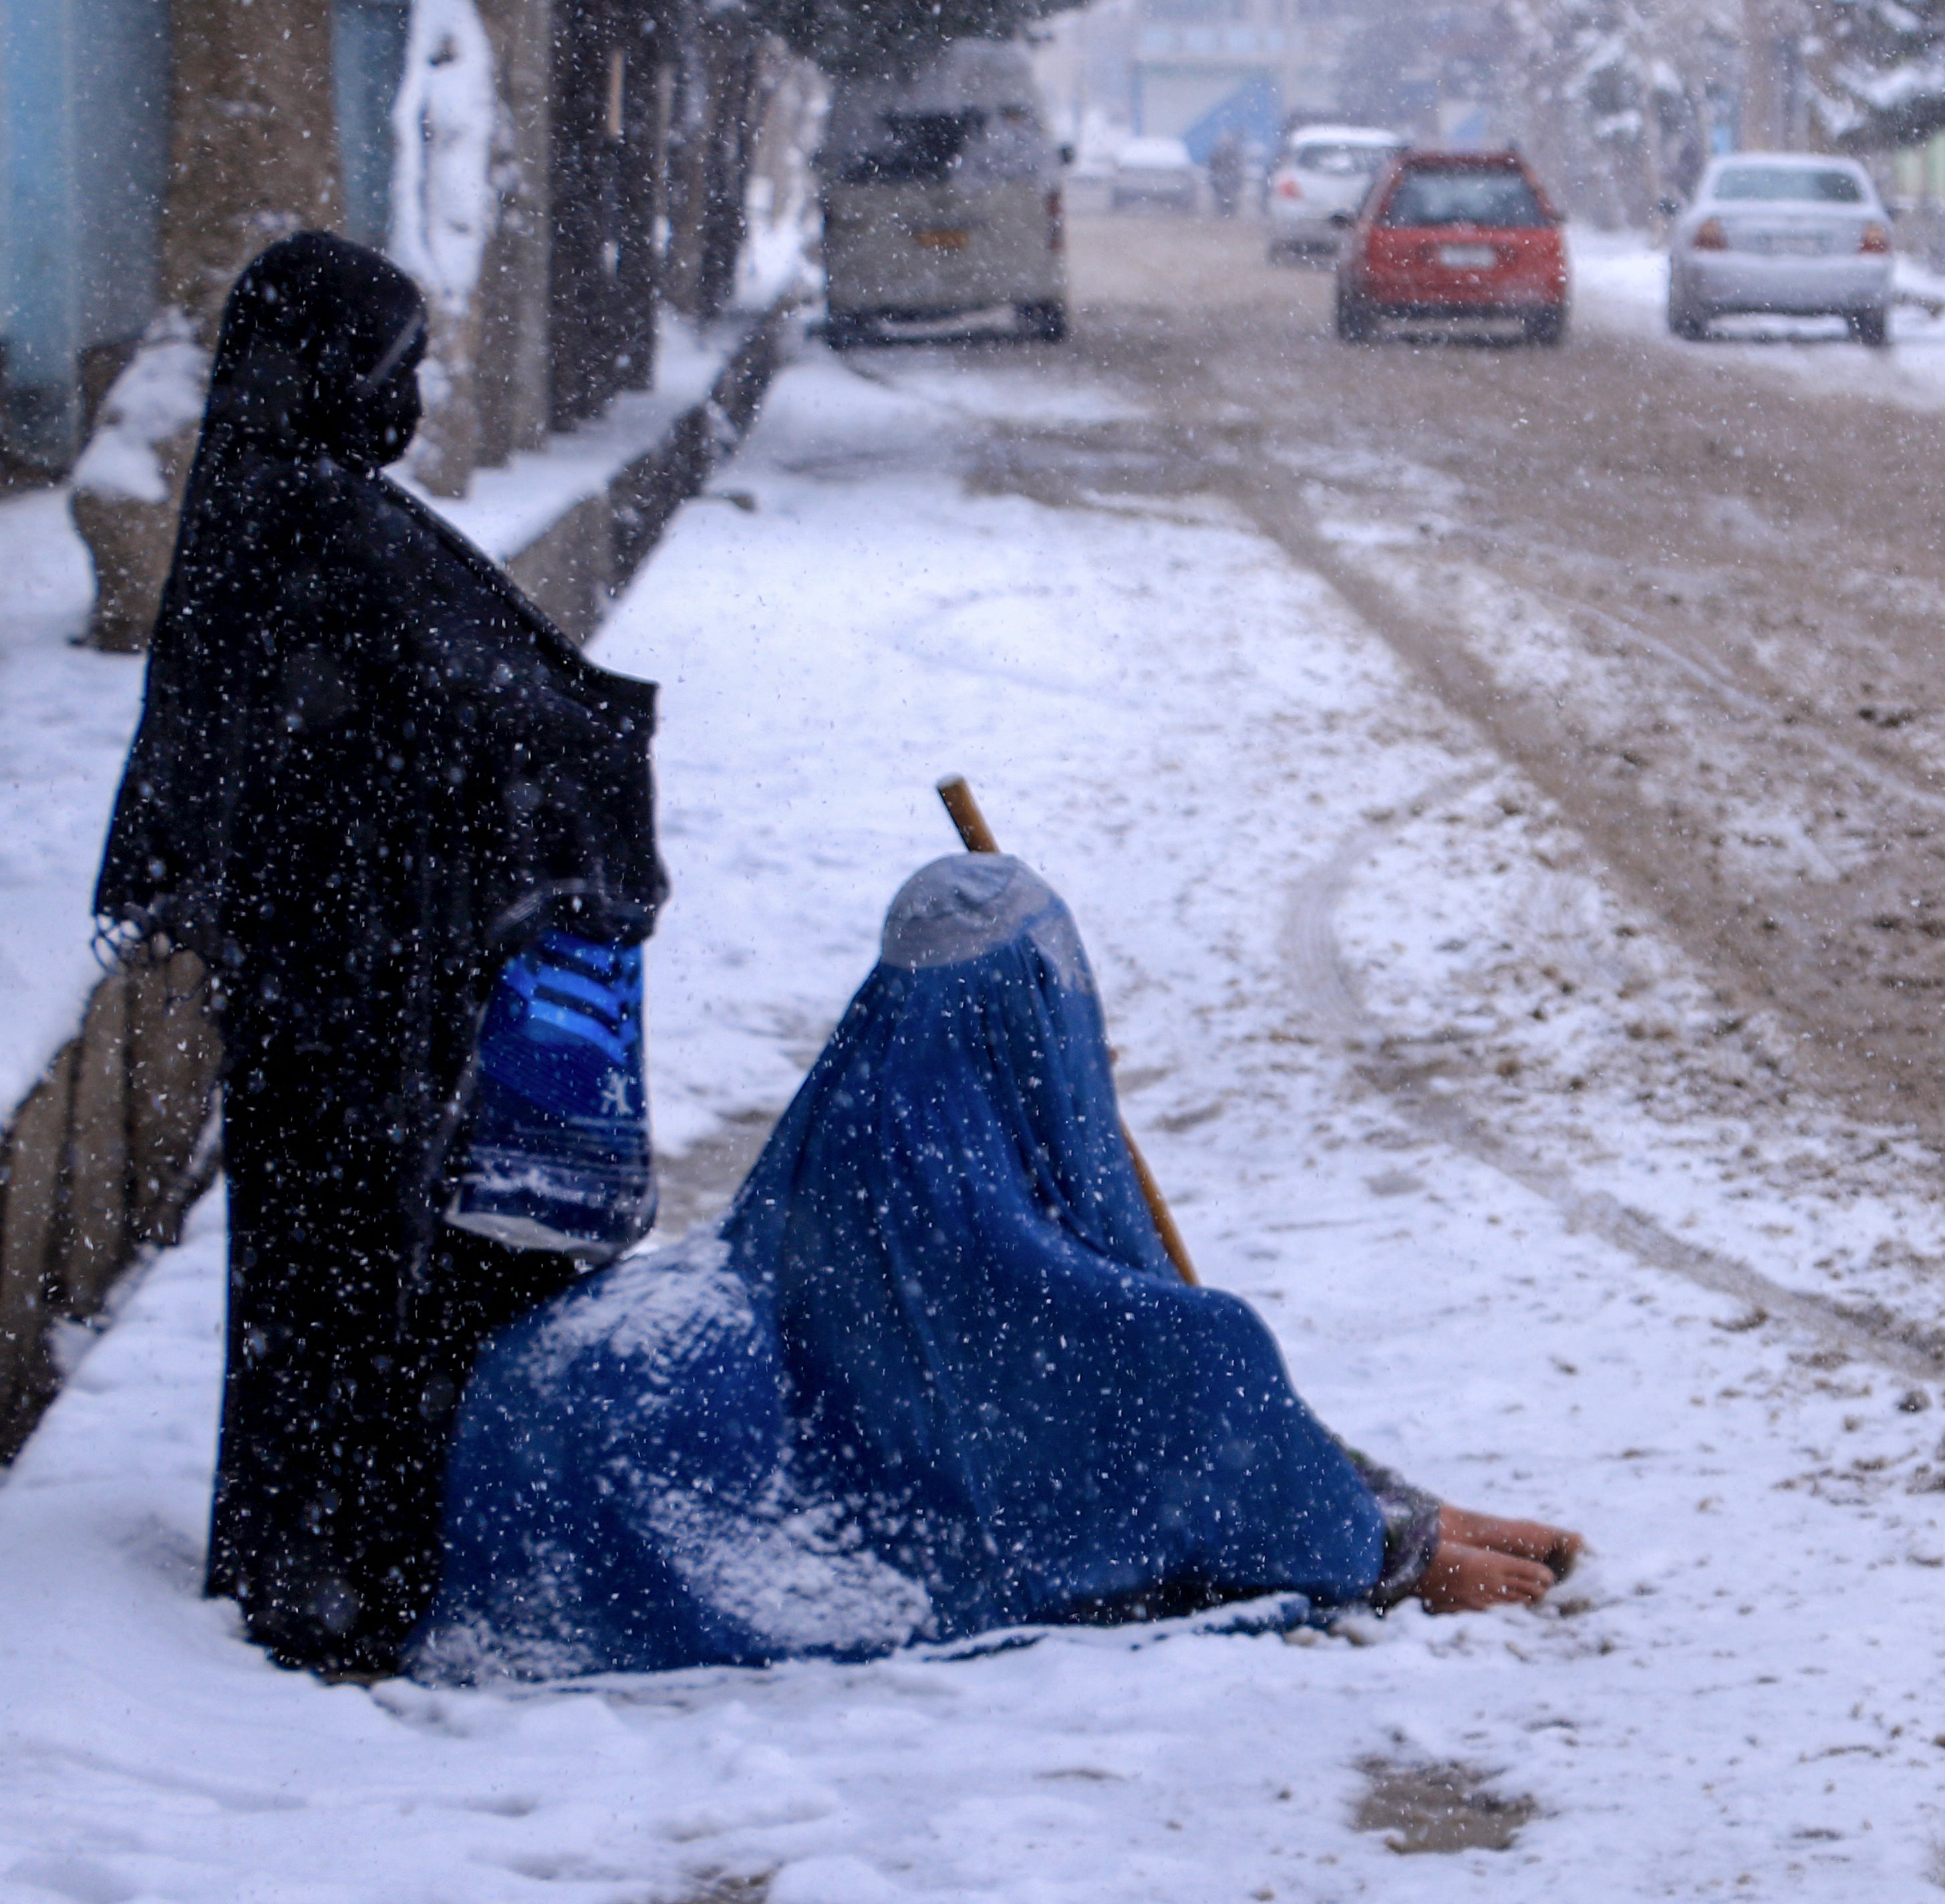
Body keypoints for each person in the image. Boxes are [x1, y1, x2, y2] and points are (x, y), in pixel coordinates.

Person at [412, 853, 1582, 1683]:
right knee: (1204, 1353)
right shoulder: (953, 1159)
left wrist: (1389, 1498)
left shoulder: (867, 1086)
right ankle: (1383, 1536)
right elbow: (1152, 1393)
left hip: (607, 1388)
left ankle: (1389, 1506)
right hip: (681, 1467)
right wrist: (1386, 1558)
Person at [94, 233, 668, 1675]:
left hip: (319, 977)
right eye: (397, 367)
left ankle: (297, 1550)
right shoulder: (326, 532)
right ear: (335, 372)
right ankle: (349, 1574)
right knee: (372, 1279)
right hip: (372, 983)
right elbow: (500, 713)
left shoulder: (268, 511)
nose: (410, 393)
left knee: (308, 1282)